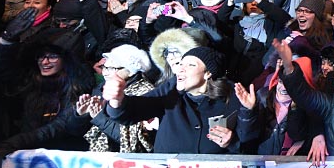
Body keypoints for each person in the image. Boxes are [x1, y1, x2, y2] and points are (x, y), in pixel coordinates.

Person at [103, 46, 242, 154]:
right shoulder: (170, 90)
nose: (180, 70)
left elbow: (248, 144)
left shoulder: (232, 96)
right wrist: (117, 100)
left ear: (207, 73)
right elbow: (134, 110)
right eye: (180, 64)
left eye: (190, 65)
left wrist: (232, 142)